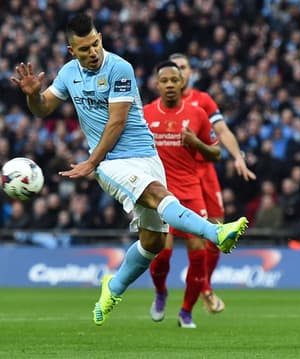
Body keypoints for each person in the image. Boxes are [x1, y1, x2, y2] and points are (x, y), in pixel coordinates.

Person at [10, 13, 249, 326]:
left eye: (96, 43)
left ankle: (114, 286)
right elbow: (43, 108)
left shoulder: (120, 67)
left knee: (151, 241)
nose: (93, 52)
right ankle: (217, 233)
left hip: (146, 156)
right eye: (84, 49)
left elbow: (118, 120)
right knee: (156, 195)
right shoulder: (68, 74)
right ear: (72, 52)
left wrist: (89, 162)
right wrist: (32, 96)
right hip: (110, 162)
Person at [148, 53, 256, 319]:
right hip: (169, 179)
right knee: (164, 250)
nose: (179, 75)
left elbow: (222, 133)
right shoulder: (151, 110)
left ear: (190, 73)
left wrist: (238, 156)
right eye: (174, 71)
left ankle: (202, 287)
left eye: (183, 69)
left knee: (215, 233)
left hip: (201, 176)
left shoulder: (202, 102)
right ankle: (198, 289)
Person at [144, 60, 222, 328]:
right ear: (157, 84)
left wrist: (196, 143)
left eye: (173, 80)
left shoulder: (198, 114)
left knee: (199, 254)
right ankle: (160, 292)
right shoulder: (144, 114)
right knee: (162, 254)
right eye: (163, 80)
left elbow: (216, 152)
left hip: (191, 193)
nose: (168, 85)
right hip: (160, 194)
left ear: (182, 83)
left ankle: (186, 311)